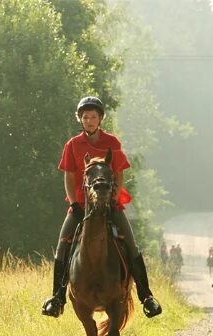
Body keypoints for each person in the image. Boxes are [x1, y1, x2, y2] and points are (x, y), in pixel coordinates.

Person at [41, 96, 162, 319]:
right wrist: (75, 204)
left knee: (131, 244)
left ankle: (146, 296)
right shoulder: (73, 145)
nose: (89, 121)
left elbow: (119, 173)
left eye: (93, 117)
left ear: (100, 118)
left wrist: (114, 198)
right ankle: (57, 297)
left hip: (109, 203)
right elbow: (69, 177)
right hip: (82, 206)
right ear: (80, 119)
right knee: (62, 246)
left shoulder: (112, 143)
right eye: (85, 117)